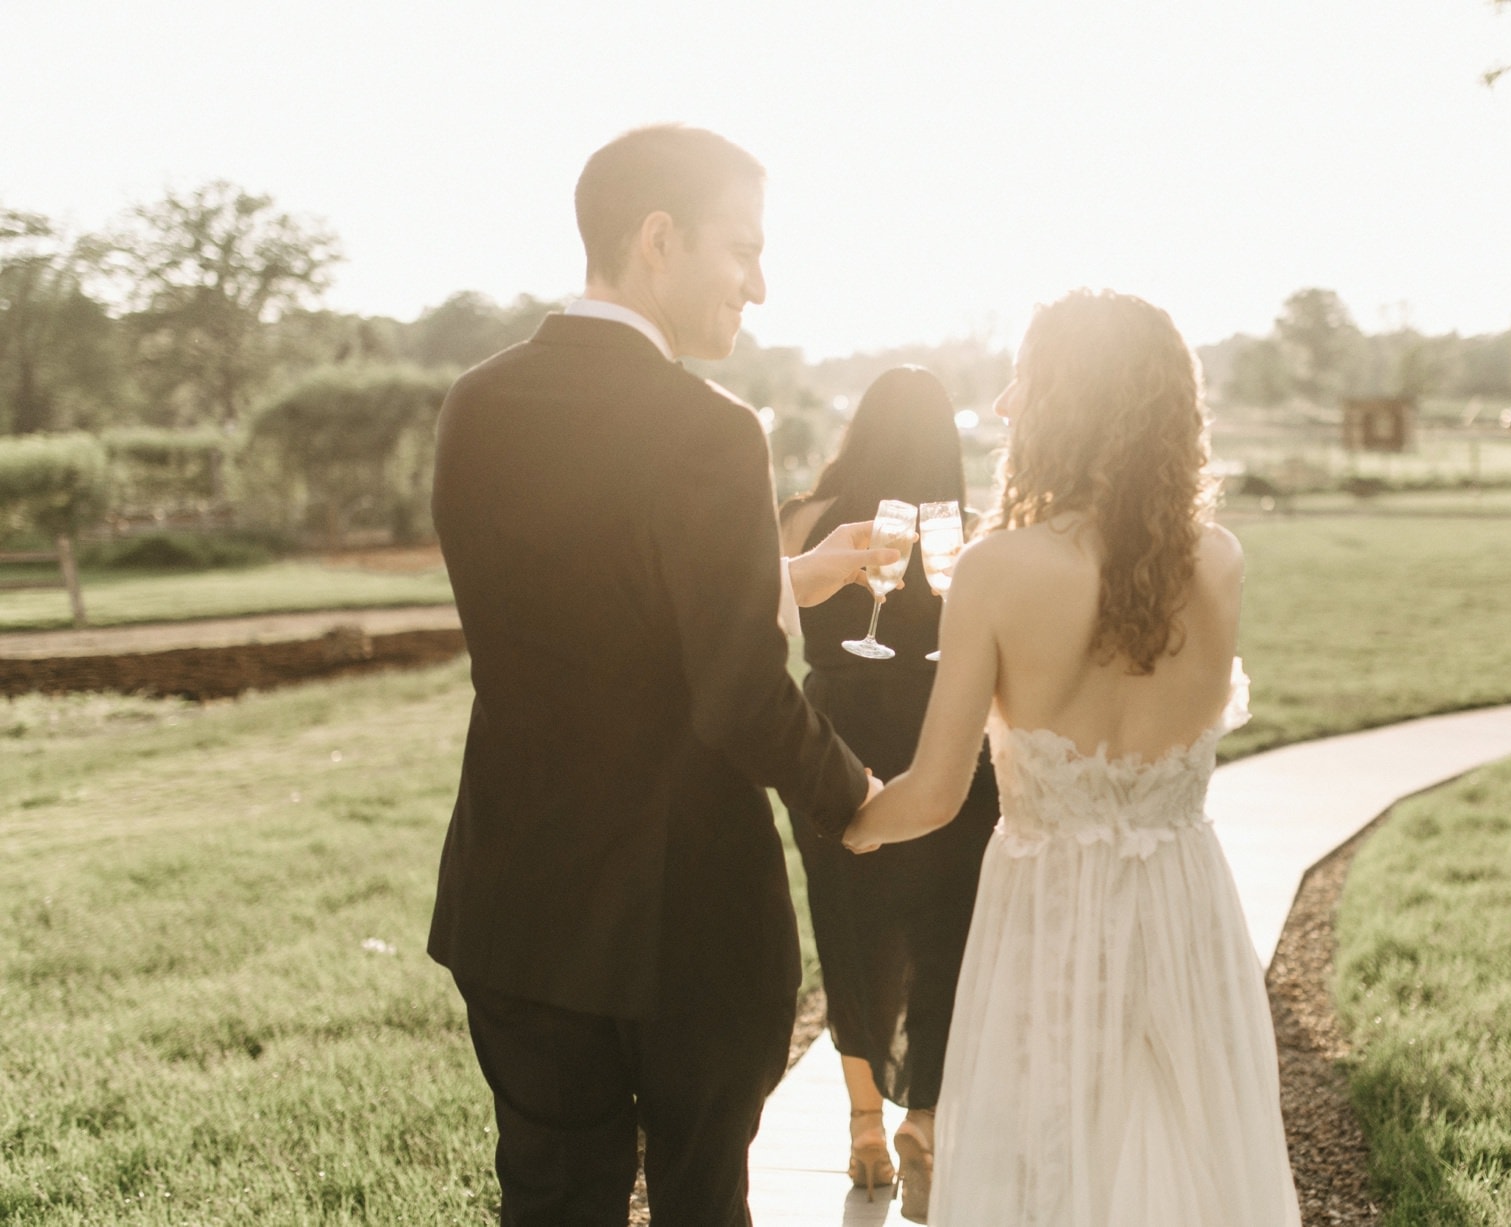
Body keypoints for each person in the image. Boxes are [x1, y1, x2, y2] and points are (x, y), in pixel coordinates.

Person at [427, 124, 900, 1226]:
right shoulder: (709, 428)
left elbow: (598, 596)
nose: (761, 284)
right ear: (658, 238)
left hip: (517, 898)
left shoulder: (476, 403)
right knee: (700, 1200)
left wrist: (781, 576)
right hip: (687, 916)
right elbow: (732, 689)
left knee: (549, 1201)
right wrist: (854, 800)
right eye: (742, 248)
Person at [844, 290, 1302, 1225]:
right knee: (1188, 1146)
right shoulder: (1217, 559)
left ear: (1068, 402)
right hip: (1186, 903)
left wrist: (844, 814)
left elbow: (933, 794)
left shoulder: (997, 568)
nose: (1006, 405)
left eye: (1025, 379)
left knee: (1043, 1161)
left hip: (1049, 914)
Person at [777, 367, 1000, 1220]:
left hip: (828, 744)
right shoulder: (970, 533)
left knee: (848, 926)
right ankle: (926, 1121)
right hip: (947, 740)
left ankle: (865, 1127)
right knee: (946, 931)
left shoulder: (800, 519)